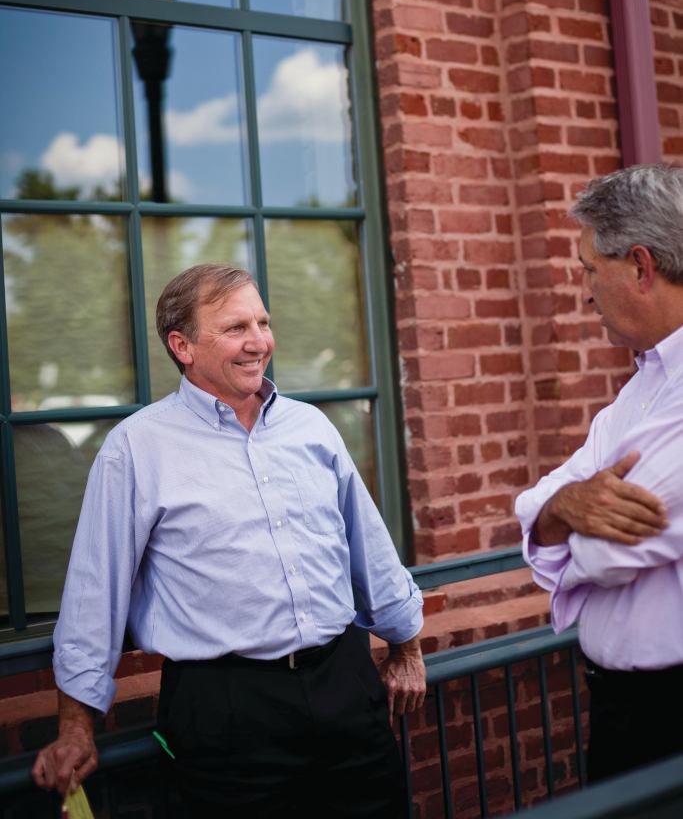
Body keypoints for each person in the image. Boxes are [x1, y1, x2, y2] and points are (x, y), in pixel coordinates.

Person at [32, 264, 426, 816]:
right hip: (226, 712)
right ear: (182, 345)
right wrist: (75, 725)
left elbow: (370, 548)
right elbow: (95, 595)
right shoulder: (136, 449)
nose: (259, 342)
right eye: (236, 327)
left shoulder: (311, 427)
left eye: (262, 322)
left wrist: (405, 645)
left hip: (346, 686)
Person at [516, 163, 683, 783]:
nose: (585, 291)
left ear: (640, 266)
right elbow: (538, 505)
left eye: (590, 269)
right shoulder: (635, 395)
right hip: (620, 710)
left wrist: (564, 528)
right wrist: (563, 510)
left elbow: (613, 553)